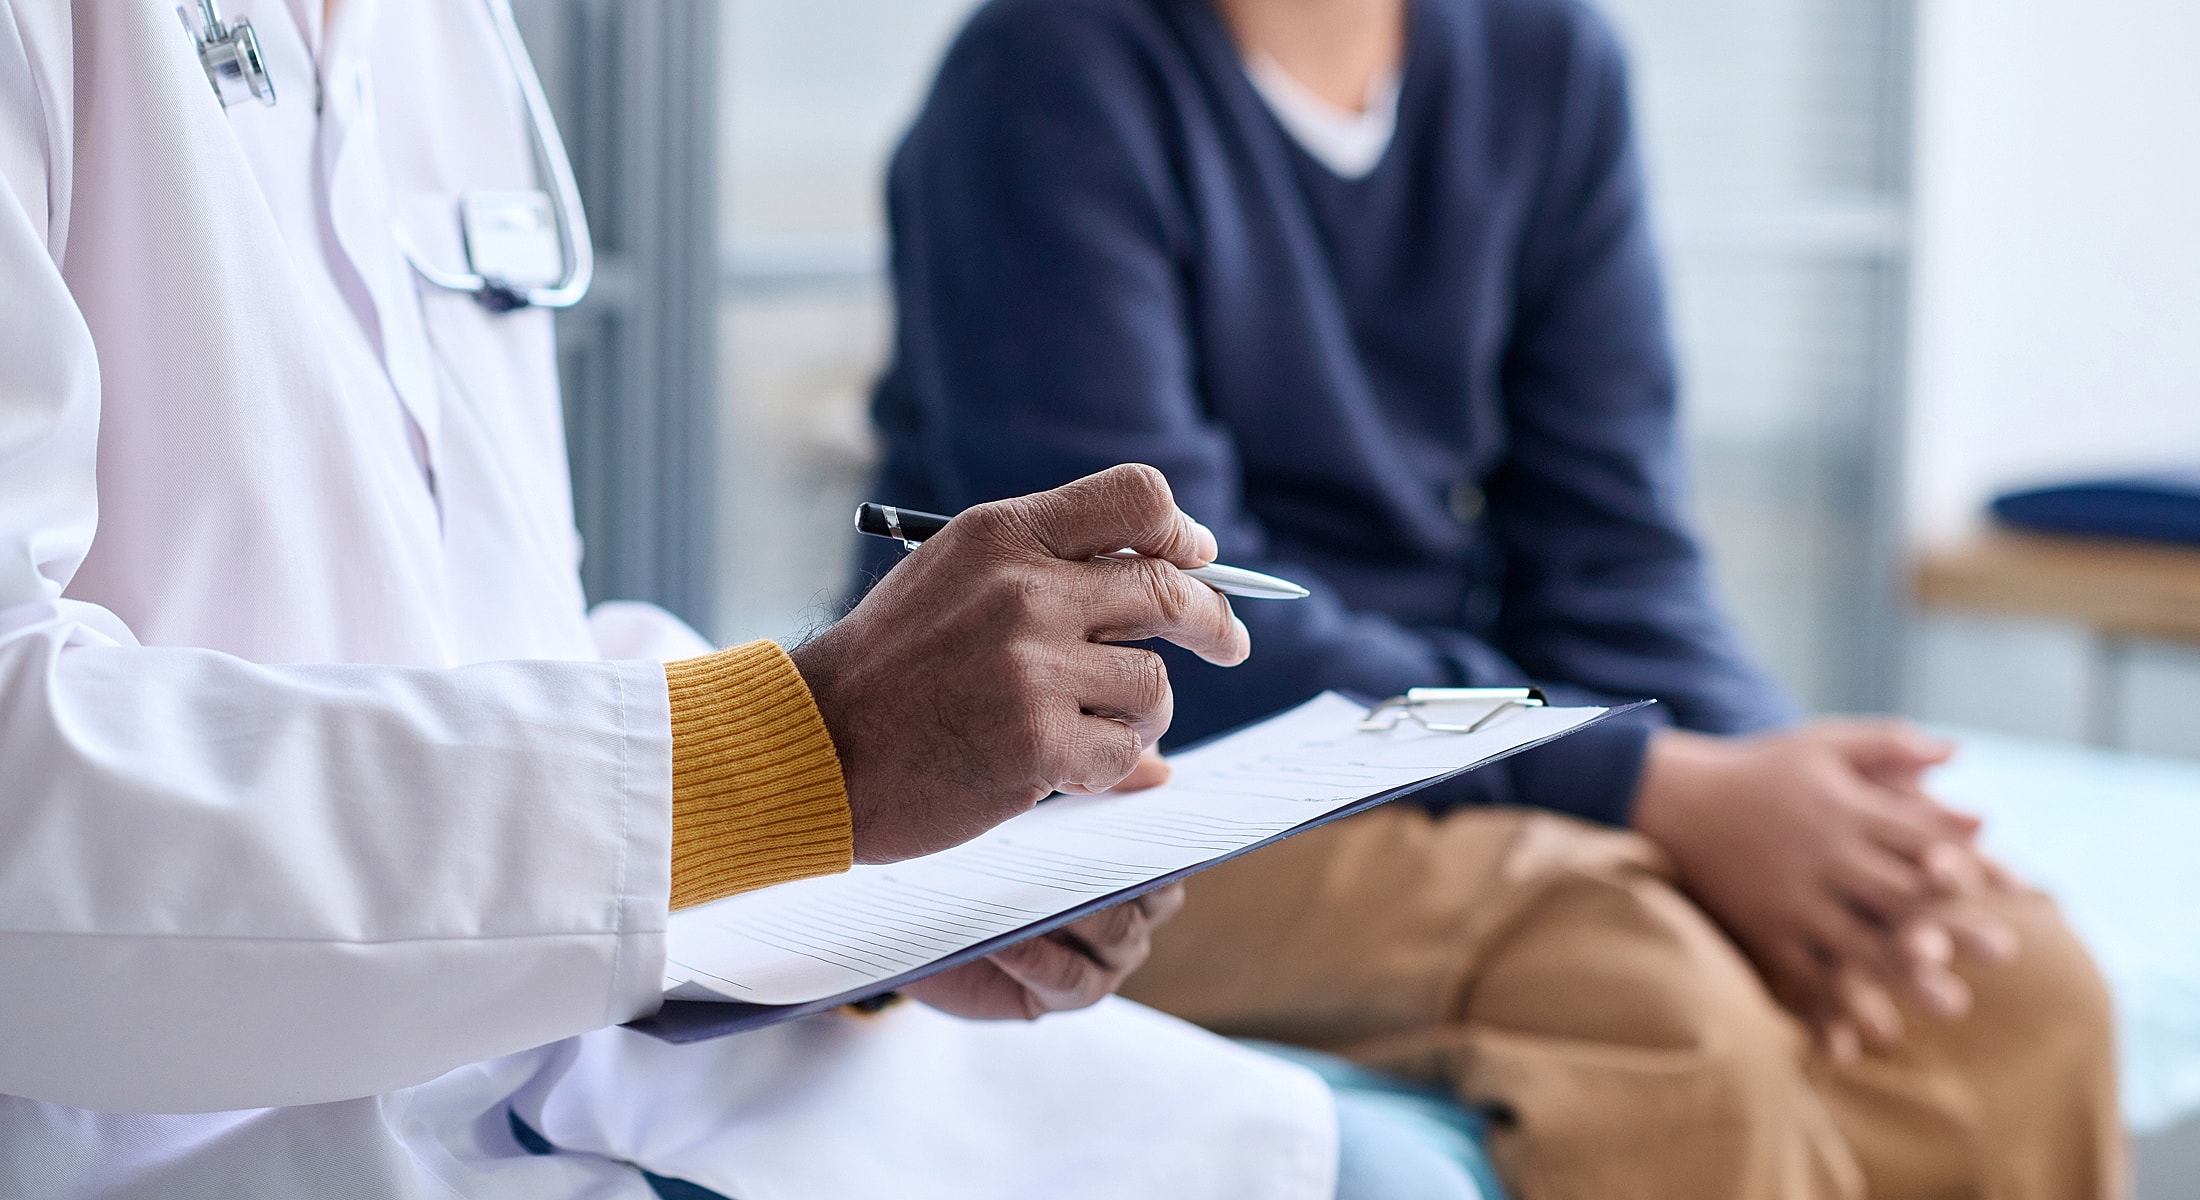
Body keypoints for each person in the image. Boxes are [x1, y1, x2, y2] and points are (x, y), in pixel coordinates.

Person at [0, 1, 1488, 1196]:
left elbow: (477, 648)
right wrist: (806, 754)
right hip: (182, 1128)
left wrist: (895, 872)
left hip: (572, 1044)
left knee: (1383, 1172)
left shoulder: (438, 32)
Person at [863, 0, 2127, 1194]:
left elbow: (1618, 559)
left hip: (1440, 751)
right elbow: (1154, 633)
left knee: (2014, 980)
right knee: (1634, 981)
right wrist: (1647, 784)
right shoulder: (1045, 74)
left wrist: (1785, 798)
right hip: (1146, 789)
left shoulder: (1547, 59)